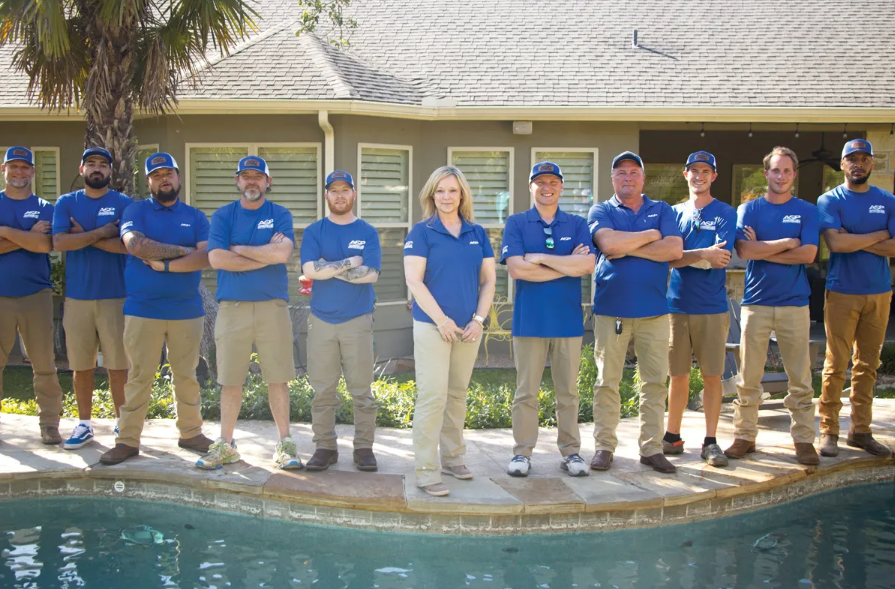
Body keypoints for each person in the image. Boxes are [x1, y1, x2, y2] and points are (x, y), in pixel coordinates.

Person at [99, 152, 214, 465]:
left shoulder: (196, 216)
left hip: (186, 310)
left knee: (186, 375)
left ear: (178, 177)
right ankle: (127, 441)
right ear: (148, 181)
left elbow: (205, 257)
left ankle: (191, 433)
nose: (164, 179)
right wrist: (182, 251)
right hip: (143, 309)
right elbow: (135, 245)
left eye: (169, 173)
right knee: (138, 376)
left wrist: (164, 265)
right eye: (157, 174)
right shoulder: (135, 210)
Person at [196, 156, 302, 470]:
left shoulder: (280, 214)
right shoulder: (223, 216)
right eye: (246, 176)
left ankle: (285, 444)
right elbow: (216, 258)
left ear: (268, 182)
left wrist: (238, 248)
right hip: (232, 307)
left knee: (278, 377)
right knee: (230, 379)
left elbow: (282, 253)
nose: (252, 182)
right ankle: (226, 445)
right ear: (238, 181)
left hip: (273, 306)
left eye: (258, 176)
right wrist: (264, 256)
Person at [403, 166, 497, 497]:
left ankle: (453, 459)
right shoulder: (421, 232)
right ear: (432, 195)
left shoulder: (477, 233)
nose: (446, 196)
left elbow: (488, 280)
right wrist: (442, 320)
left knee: (457, 395)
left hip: (468, 328)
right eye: (440, 191)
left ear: (462, 195)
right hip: (433, 327)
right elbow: (414, 280)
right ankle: (426, 471)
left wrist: (479, 319)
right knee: (433, 396)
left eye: (453, 190)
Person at [588, 151, 683, 474]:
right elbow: (608, 245)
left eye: (633, 172)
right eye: (620, 173)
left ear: (643, 178)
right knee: (606, 382)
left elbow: (674, 250)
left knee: (655, 382)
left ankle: (651, 448)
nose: (627, 178)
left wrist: (628, 245)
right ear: (613, 179)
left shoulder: (662, 209)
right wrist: (651, 236)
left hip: (654, 312)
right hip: (611, 311)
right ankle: (604, 446)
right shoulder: (601, 210)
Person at [501, 162, 596, 477]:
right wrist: (566, 263)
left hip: (567, 321)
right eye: (540, 182)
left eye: (553, 182)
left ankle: (571, 453)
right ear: (531, 187)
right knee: (526, 391)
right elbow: (516, 269)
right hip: (529, 321)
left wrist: (541, 258)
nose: (547, 187)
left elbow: (586, 266)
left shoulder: (577, 223)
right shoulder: (517, 223)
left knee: (568, 391)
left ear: (561, 187)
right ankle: (522, 454)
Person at [726, 146, 820, 466]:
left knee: (800, 378)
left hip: (795, 303)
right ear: (765, 173)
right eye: (775, 170)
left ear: (794, 175)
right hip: (756, 302)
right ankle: (745, 436)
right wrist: (788, 243)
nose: (781, 176)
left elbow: (808, 255)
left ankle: (804, 439)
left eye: (787, 171)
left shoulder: (807, 210)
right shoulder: (748, 209)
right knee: (748, 377)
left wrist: (763, 247)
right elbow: (744, 250)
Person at [817, 139, 895, 457]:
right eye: (853, 159)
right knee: (836, 364)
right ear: (843, 163)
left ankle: (860, 431)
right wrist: (879, 235)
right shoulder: (829, 200)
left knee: (867, 365)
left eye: (864, 159)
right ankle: (829, 431)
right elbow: (836, 245)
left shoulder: (888, 200)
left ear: (871, 164)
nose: (858, 164)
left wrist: (854, 238)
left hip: (879, 292)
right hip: (842, 292)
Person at [300, 170, 381, 472]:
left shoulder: (368, 231)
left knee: (361, 390)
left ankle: (364, 448)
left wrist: (328, 267)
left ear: (353, 194)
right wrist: (350, 262)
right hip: (321, 320)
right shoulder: (315, 231)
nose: (339, 195)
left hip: (358, 320)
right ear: (326, 196)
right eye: (333, 190)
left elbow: (371, 275)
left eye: (345, 189)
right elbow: (310, 270)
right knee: (323, 391)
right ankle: (325, 446)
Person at [52, 147, 133, 449]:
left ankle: (123, 423)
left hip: (116, 295)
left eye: (103, 165)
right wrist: (102, 232)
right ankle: (84, 424)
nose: (97, 169)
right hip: (77, 297)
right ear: (82, 168)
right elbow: (60, 241)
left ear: (111, 172)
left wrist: (83, 236)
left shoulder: (124, 204)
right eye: (91, 164)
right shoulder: (66, 203)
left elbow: (126, 247)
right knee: (80, 365)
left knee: (118, 365)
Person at [663, 151, 737, 467]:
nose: (699, 176)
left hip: (711, 307)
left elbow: (719, 259)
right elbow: (668, 257)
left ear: (713, 176)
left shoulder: (725, 213)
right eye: (694, 170)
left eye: (705, 171)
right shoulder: (673, 213)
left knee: (712, 376)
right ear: (685, 175)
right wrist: (701, 253)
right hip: (676, 306)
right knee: (677, 375)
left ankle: (710, 442)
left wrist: (689, 255)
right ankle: (671, 436)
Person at [0, 147, 64, 444]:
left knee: (43, 363)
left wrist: (5, 232)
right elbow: (33, 240)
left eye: (25, 168)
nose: (19, 173)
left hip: (36, 294)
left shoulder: (45, 207)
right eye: (14, 167)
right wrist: (27, 233)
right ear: (4, 170)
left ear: (33, 172)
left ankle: (49, 424)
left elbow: (44, 245)